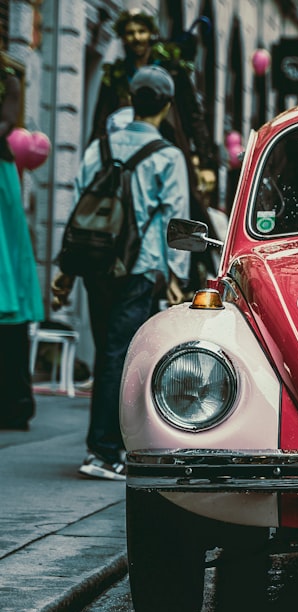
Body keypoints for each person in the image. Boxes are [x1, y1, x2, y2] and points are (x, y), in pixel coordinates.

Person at [52, 66, 190, 479]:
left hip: (95, 264)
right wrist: (177, 275)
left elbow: (78, 205)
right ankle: (105, 451)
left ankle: (104, 446)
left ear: (130, 99)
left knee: (107, 352)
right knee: (121, 355)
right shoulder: (168, 156)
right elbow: (175, 219)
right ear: (166, 105)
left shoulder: (99, 146)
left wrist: (66, 268)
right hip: (139, 266)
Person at [89, 9, 216, 295]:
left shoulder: (172, 70)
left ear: (151, 33)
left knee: (186, 212)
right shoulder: (117, 75)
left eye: (141, 31)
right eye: (130, 33)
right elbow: (100, 120)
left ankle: (189, 279)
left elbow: (195, 117)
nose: (136, 38)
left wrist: (206, 162)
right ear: (123, 37)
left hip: (168, 151)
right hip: (124, 160)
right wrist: (97, 156)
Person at [0, 57, 44, 430]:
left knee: (7, 269)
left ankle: (15, 402)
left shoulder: (8, 80)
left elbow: (5, 124)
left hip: (1, 178)